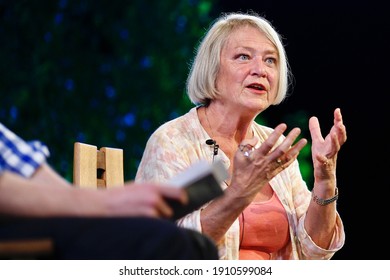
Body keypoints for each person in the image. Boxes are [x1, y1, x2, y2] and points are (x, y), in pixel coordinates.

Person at [135, 12, 347, 260]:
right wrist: (240, 192)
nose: (260, 70)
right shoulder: (175, 141)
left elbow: (314, 251)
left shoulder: (275, 145)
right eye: (243, 57)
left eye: (270, 61)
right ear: (212, 69)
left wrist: (325, 178)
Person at [0, 122, 218, 259]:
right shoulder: (173, 137)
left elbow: (26, 168)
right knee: (171, 244)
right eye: (243, 57)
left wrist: (105, 206)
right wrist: (106, 202)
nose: (254, 68)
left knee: (197, 246)